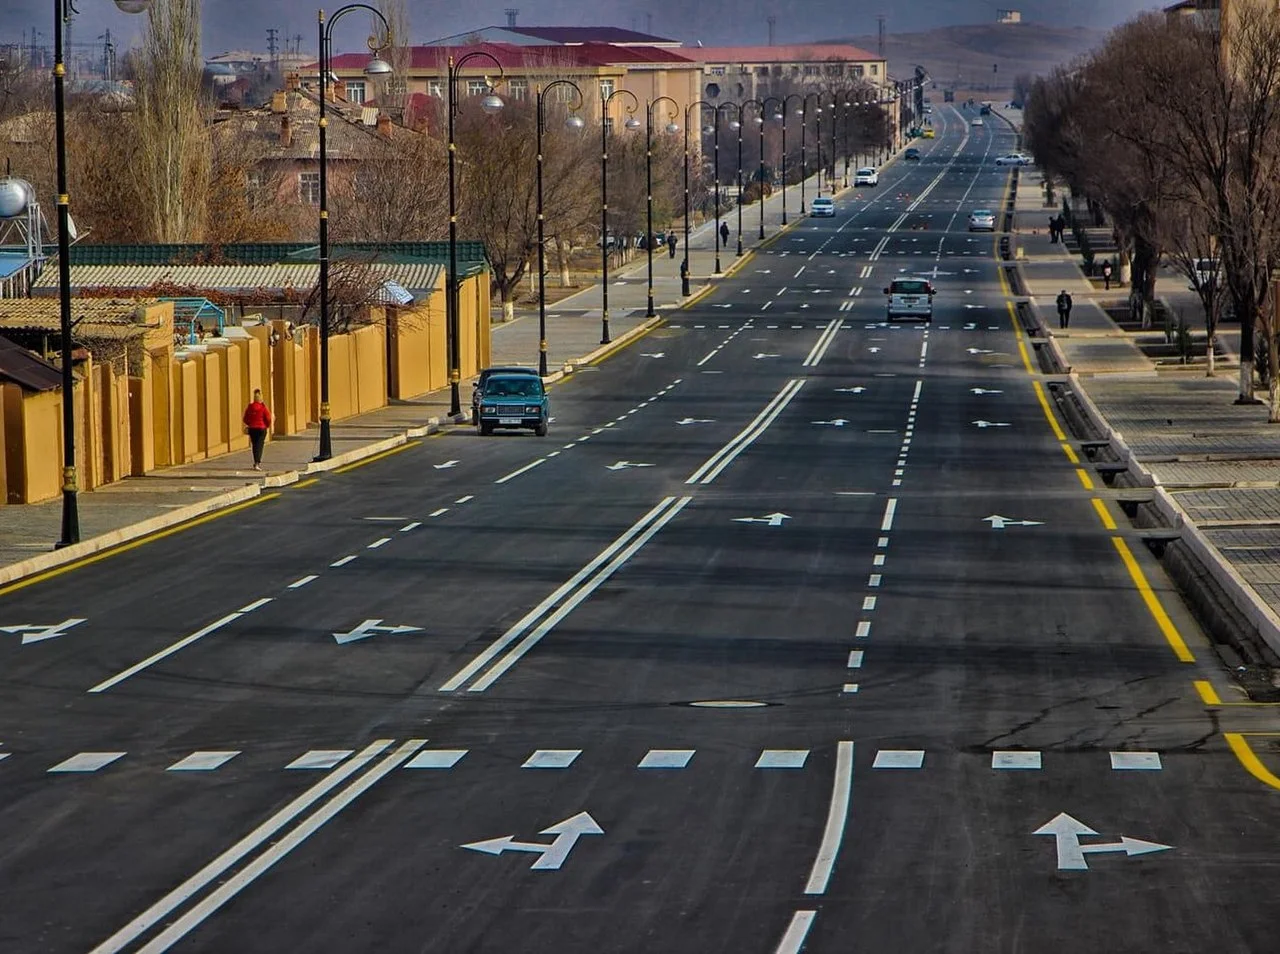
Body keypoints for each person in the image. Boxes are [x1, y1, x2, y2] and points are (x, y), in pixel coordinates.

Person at [243, 388, 272, 471]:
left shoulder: (250, 407)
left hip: (252, 429)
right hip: (261, 429)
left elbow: (245, 418)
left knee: (255, 445)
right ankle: (257, 463)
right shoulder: (263, 408)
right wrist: (267, 425)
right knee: (260, 445)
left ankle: (256, 462)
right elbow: (268, 418)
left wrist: (250, 424)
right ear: (261, 398)